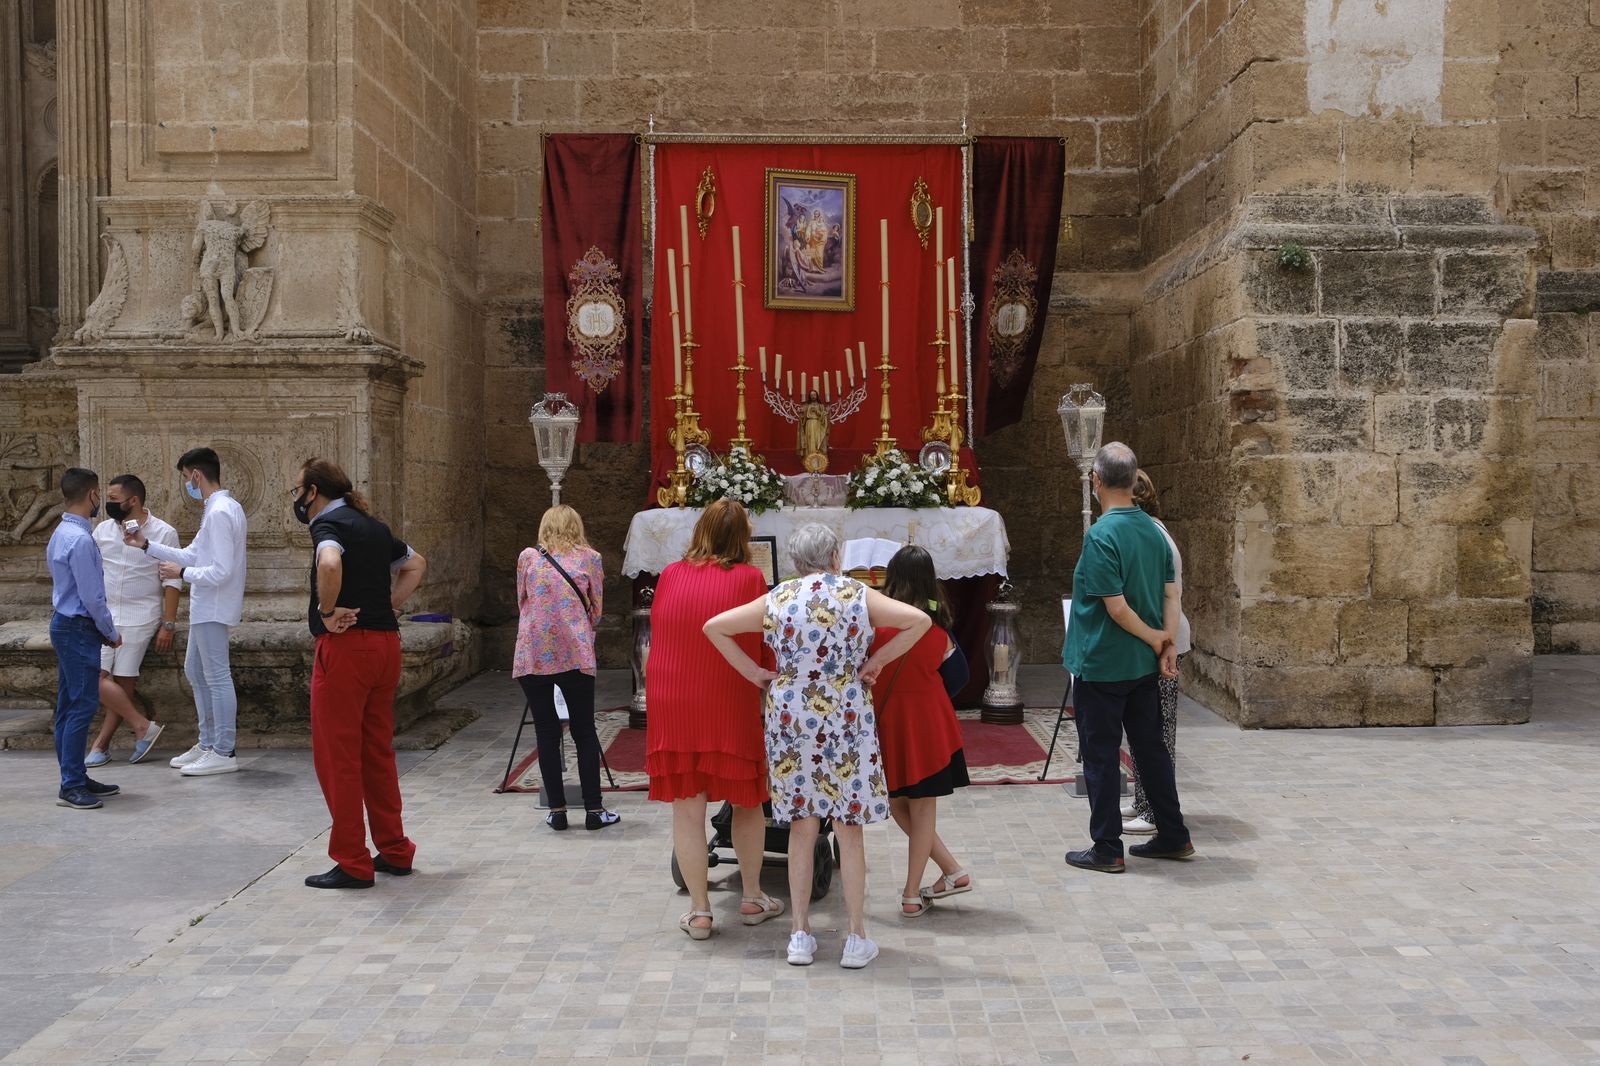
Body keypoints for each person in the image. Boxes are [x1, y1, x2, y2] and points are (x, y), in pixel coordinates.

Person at [704, 523, 930, 970]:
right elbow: (919, 620)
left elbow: (715, 627)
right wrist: (877, 660)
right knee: (849, 830)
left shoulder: (780, 597)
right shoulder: (856, 594)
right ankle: (855, 936)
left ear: (794, 560)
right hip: (845, 709)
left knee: (803, 828)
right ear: (835, 558)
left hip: (792, 715)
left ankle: (800, 934)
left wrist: (754, 673)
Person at [645, 499, 783, 940]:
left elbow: (663, 631)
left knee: (688, 810)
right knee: (747, 802)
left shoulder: (670, 574)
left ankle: (701, 912)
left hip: (674, 699)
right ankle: (752, 896)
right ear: (742, 538)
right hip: (727, 697)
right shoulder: (750, 578)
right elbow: (761, 643)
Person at [292, 458, 427, 890]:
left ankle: (352, 861)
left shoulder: (328, 528)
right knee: (376, 752)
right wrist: (389, 605)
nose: (297, 497)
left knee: (339, 757)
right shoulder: (372, 525)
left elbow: (329, 565)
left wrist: (327, 612)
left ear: (314, 491)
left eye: (298, 489)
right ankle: (394, 849)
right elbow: (416, 563)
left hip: (347, 649)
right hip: (386, 647)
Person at [1062, 442, 1193, 873]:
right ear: (1134, 481)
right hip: (1142, 664)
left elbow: (1115, 607)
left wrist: (1158, 638)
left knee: (1099, 755)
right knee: (1150, 750)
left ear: (1095, 480)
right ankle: (1173, 833)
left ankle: (1107, 847)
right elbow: (1170, 593)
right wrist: (1165, 641)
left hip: (1102, 663)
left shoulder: (1101, 534)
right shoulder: (1154, 531)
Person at [123, 446, 248, 777]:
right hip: (206, 605)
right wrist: (146, 546)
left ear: (196, 474)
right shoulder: (216, 509)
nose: (187, 486)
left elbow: (220, 570)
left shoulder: (221, 511)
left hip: (214, 605)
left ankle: (223, 749)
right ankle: (208, 742)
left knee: (217, 677)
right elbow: (193, 553)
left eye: (186, 479)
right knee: (195, 671)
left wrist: (182, 574)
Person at [871, 545, 973, 917]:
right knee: (919, 807)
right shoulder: (936, 626)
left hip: (890, 725)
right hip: (931, 727)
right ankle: (951, 871)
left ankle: (913, 892)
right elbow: (959, 675)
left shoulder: (876, 623)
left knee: (899, 804)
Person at [514, 504, 618, 831]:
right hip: (574, 652)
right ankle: (594, 809)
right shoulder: (591, 558)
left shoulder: (528, 558)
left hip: (534, 653)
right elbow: (597, 608)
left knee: (545, 731)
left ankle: (557, 811)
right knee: (584, 730)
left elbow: (522, 599)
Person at [85, 474, 180, 767]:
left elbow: (172, 582)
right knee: (93, 677)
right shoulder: (102, 530)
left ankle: (102, 743)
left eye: (113, 499)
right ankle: (142, 725)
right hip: (106, 615)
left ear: (133, 500)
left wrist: (168, 623)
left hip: (141, 615)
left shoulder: (164, 532)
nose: (108, 504)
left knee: (124, 680)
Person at [1121, 469, 1192, 836]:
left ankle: (1154, 811)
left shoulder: (1154, 536)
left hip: (1164, 641)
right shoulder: (1150, 530)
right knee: (1143, 727)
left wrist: (1164, 642)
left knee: (1159, 729)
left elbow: (1168, 594)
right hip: (1158, 639)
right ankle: (1144, 798)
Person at [45, 468, 121, 810]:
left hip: (66, 623)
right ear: (92, 495)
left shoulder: (61, 533)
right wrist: (110, 631)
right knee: (81, 706)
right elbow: (92, 597)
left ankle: (73, 774)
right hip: (78, 626)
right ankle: (72, 783)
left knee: (68, 705)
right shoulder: (79, 539)